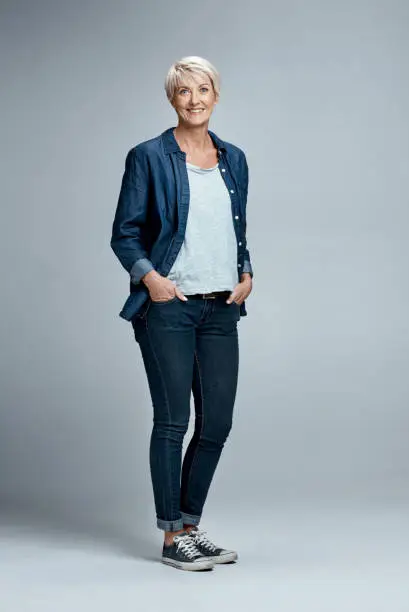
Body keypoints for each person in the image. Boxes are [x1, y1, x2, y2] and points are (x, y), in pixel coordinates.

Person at [110, 56, 253, 571]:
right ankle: (172, 538)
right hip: (170, 308)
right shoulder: (148, 156)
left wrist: (247, 272)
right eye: (184, 92)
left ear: (217, 94)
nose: (194, 100)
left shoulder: (233, 158)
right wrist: (153, 280)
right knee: (173, 421)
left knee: (217, 422)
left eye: (203, 89)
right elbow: (125, 233)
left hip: (221, 308)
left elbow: (236, 230)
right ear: (172, 99)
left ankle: (192, 526)